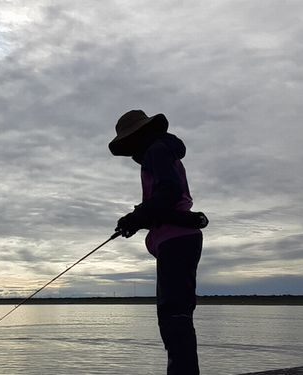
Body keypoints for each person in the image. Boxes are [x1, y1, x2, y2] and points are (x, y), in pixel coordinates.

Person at [108, 110, 208, 375]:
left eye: (130, 143)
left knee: (173, 314)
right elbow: (166, 201)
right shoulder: (162, 151)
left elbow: (169, 192)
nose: (130, 153)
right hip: (178, 239)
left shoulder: (156, 151)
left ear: (140, 135)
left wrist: (137, 216)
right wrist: (137, 220)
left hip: (176, 241)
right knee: (176, 313)